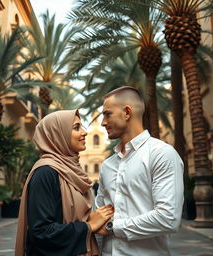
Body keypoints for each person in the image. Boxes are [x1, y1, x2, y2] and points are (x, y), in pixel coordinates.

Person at [95, 86, 184, 256]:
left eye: (107, 114)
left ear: (127, 112)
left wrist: (113, 227)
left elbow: (168, 218)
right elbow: (99, 219)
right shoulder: (107, 165)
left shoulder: (161, 154)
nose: (103, 122)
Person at [15, 110, 114, 256]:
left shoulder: (71, 170)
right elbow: (41, 232)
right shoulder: (46, 173)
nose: (84, 132)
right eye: (76, 127)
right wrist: (88, 226)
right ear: (57, 135)